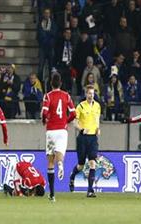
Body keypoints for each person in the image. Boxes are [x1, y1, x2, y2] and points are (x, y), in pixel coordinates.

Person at [41, 73, 76, 202]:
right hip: (62, 130)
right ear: (60, 83)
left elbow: (44, 112)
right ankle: (60, 164)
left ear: (51, 83)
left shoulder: (48, 96)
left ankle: (52, 194)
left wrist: (44, 120)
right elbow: (74, 113)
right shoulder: (66, 96)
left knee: (50, 161)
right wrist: (66, 121)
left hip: (51, 131)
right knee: (59, 154)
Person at [69, 85, 100, 197]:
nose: (91, 95)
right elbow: (74, 122)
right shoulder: (80, 106)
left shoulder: (97, 106)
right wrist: (81, 129)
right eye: (89, 93)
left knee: (92, 163)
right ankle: (72, 176)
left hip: (93, 138)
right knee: (81, 165)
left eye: (92, 93)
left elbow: (97, 120)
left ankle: (90, 190)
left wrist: (97, 128)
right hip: (83, 138)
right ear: (86, 94)